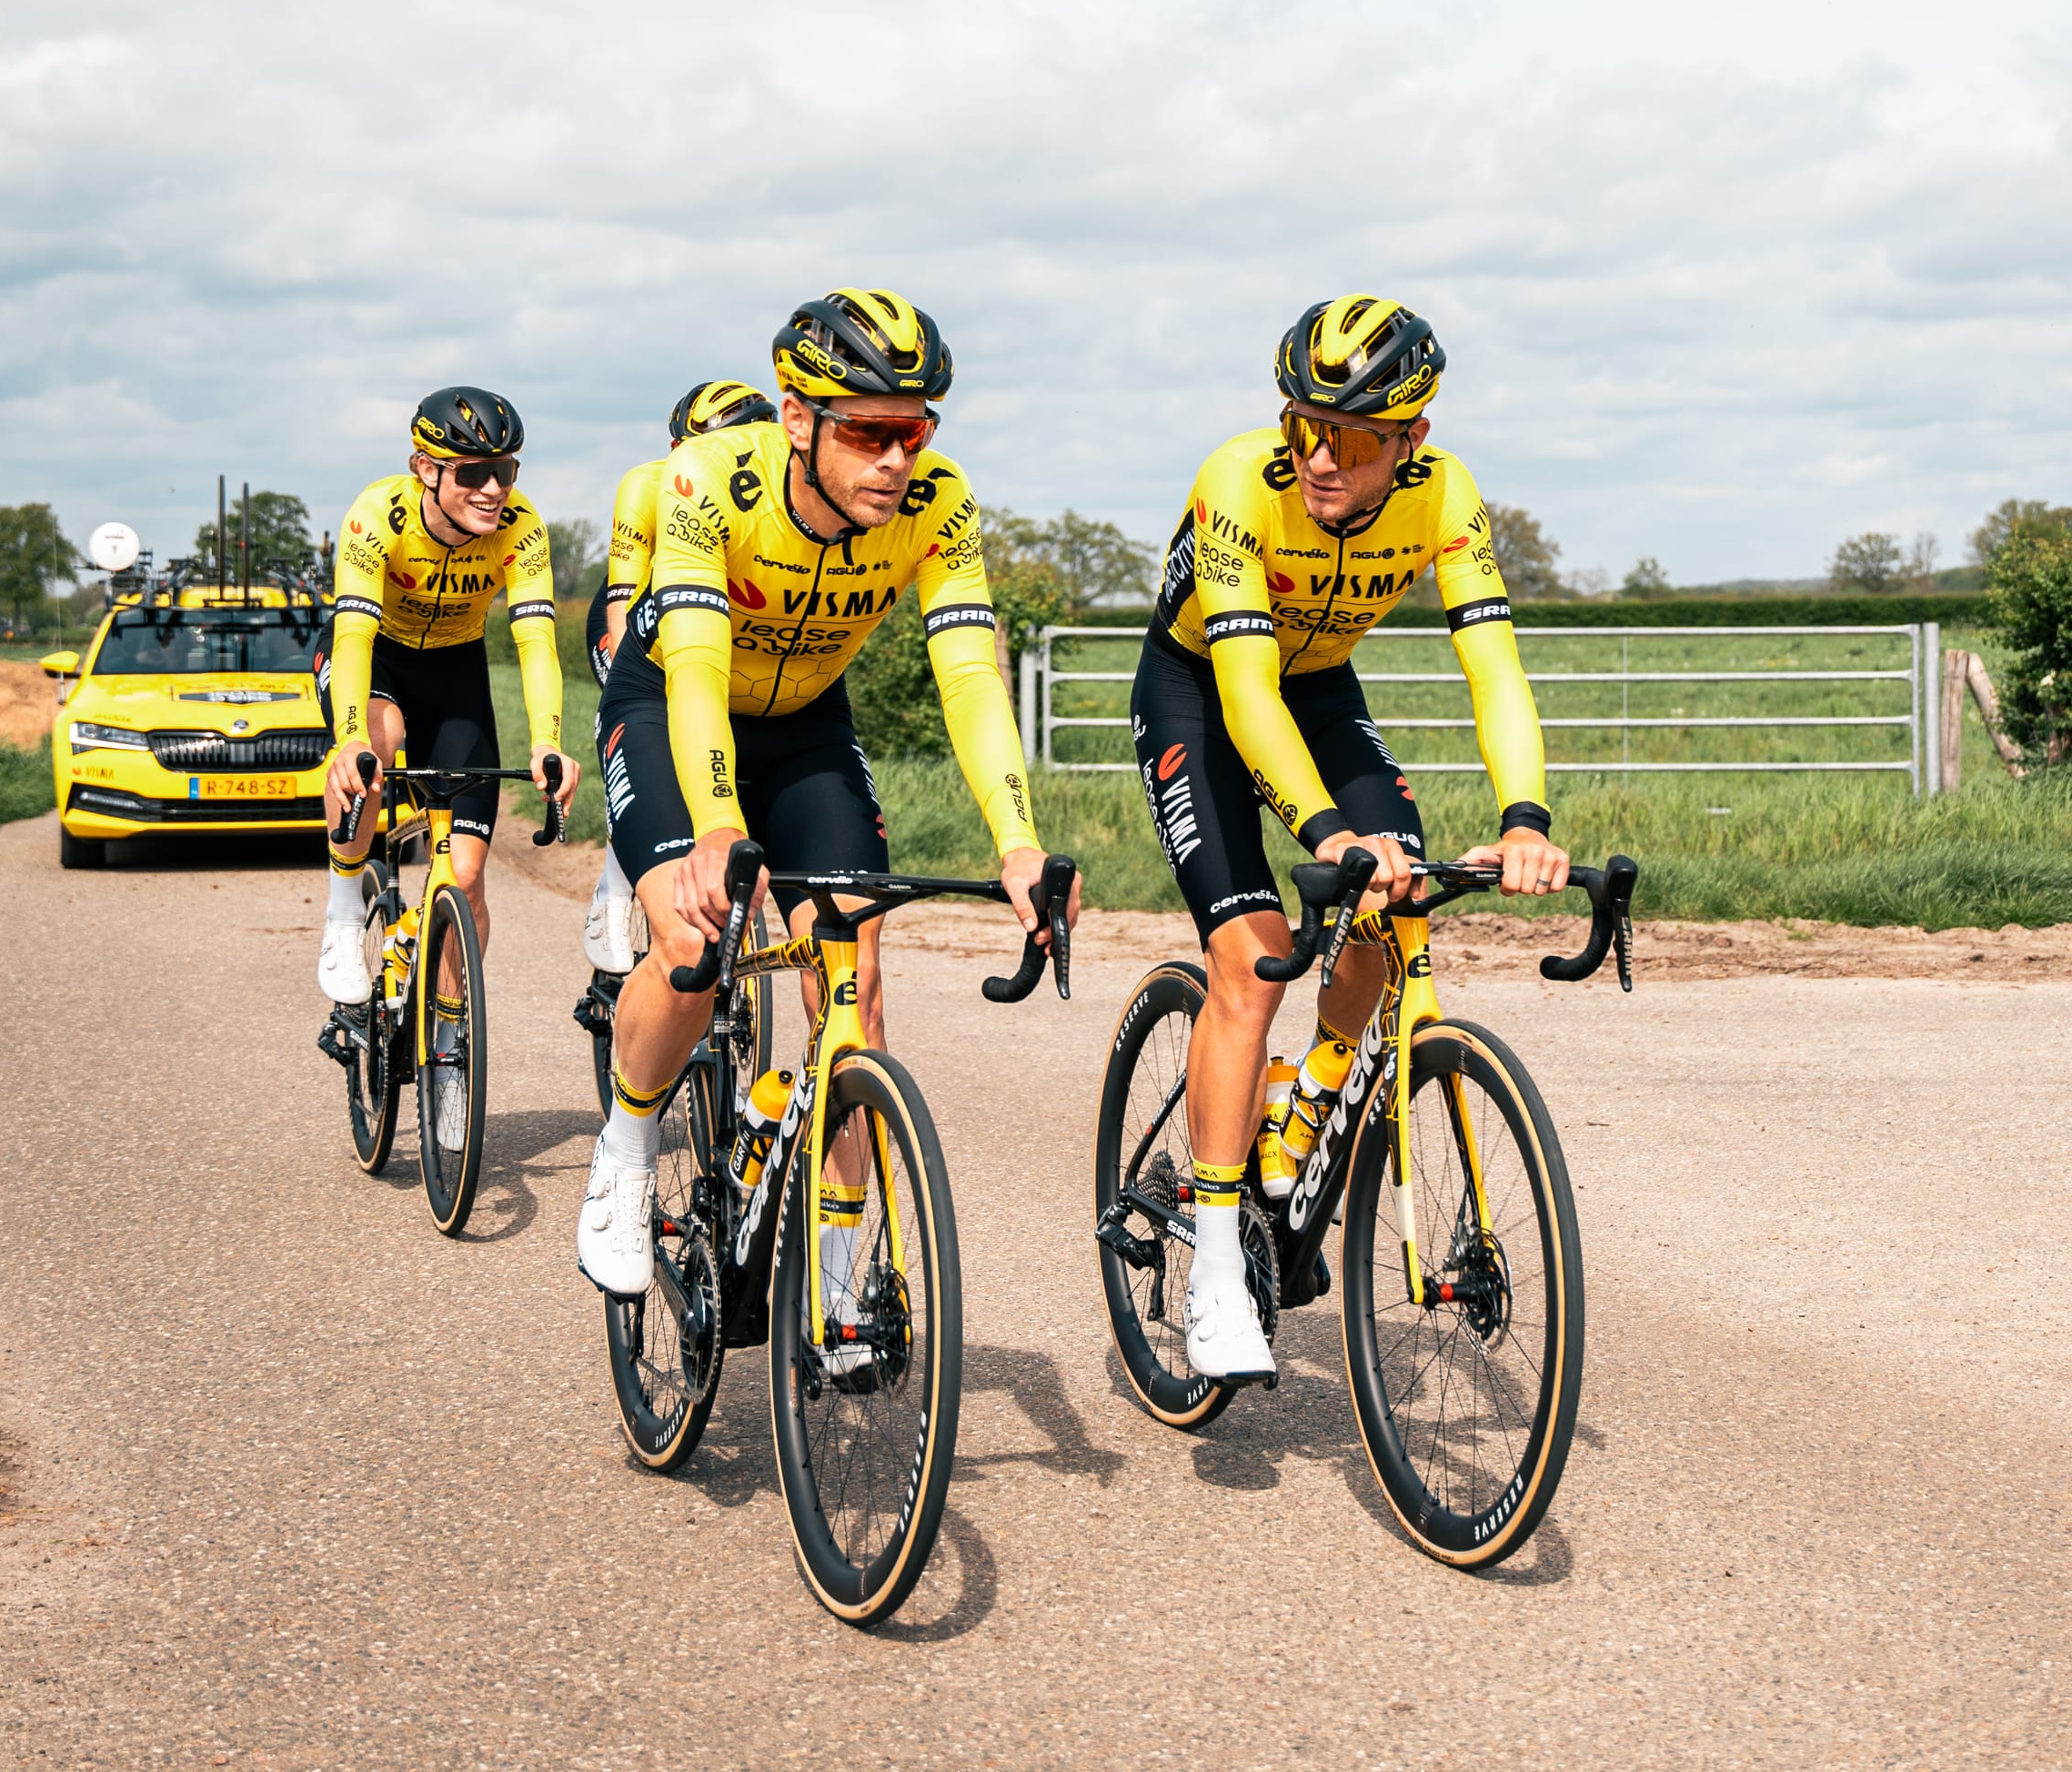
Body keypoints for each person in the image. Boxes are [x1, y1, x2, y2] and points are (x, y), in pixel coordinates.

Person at [576, 289, 1078, 1335]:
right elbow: (701, 670)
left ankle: (843, 1268)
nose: (899, 459)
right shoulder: (707, 480)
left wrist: (1019, 844)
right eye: (871, 431)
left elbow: (970, 677)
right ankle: (625, 1150)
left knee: (857, 990)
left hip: (806, 724)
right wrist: (716, 826)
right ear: (797, 419)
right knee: (686, 938)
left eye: (918, 429)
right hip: (670, 700)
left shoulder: (939, 503)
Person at [1132, 293, 1566, 1384]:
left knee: (1402, 891)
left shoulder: (1445, 496)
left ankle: (1318, 1089)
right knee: (1252, 964)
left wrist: (1525, 817)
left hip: (1318, 687)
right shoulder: (1242, 480)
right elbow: (1244, 688)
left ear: (1412, 441)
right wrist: (1329, 831)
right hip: (1203, 691)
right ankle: (1220, 1263)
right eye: (1304, 425)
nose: (1321, 458)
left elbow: (1494, 666)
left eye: (1356, 438)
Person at [316, 387, 580, 1151]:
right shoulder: (377, 516)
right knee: (381, 740)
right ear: (424, 469)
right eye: (473, 472)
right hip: (378, 659)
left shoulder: (521, 527)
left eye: (506, 468)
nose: (495, 487)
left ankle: (451, 1049)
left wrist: (546, 741)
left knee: (463, 877)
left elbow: (534, 639)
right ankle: (342, 911)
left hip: (458, 670)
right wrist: (346, 743)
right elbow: (355, 633)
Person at [580, 378, 777, 972]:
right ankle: (620, 877)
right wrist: (626, 681)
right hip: (638, 621)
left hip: (723, 620)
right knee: (652, 730)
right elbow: (621, 595)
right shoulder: (645, 487)